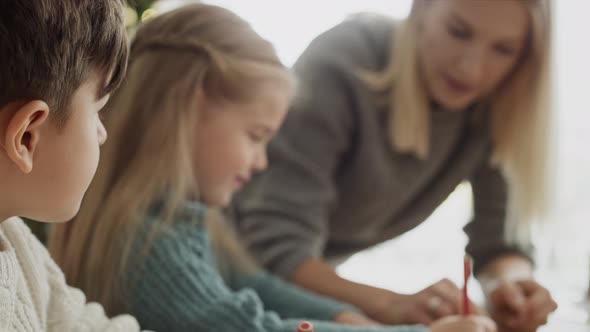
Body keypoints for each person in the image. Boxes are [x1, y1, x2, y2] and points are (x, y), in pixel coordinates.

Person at [49, 4, 496, 332]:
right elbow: (249, 326)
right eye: (256, 136)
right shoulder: (149, 247)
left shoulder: (180, 222)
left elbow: (257, 285)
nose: (262, 162)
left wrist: (364, 317)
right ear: (187, 112)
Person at [228, 1, 557, 331]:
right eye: (458, 32)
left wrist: (510, 286)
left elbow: (498, 239)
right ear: (422, 9)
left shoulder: (494, 107)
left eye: (504, 49)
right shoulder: (344, 60)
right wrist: (393, 306)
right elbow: (273, 251)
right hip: (226, 268)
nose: (471, 68)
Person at [0, 0, 148, 330]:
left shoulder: (13, 236)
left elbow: (84, 325)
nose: (102, 133)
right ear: (26, 137)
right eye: (98, 110)